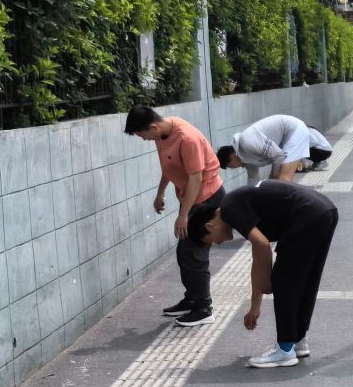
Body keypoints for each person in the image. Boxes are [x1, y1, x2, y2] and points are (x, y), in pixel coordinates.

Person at [187, 178, 339, 368]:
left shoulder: (229, 210)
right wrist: (255, 306)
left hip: (307, 214)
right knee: (305, 281)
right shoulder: (235, 205)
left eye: (212, 240)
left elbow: (262, 245)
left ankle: (285, 350)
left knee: (284, 281)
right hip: (325, 210)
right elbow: (258, 257)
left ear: (209, 227)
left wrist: (269, 283)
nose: (218, 243)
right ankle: (298, 340)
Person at [125, 104, 223, 325]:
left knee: (193, 254)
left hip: (206, 199)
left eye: (142, 135)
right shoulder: (162, 133)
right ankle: (192, 299)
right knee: (184, 253)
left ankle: (204, 309)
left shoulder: (187, 138)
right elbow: (168, 167)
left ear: (153, 127)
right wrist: (160, 193)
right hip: (190, 199)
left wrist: (184, 215)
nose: (144, 140)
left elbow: (196, 178)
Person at [222, 114, 333, 182]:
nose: (234, 168)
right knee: (277, 181)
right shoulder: (247, 162)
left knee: (283, 178)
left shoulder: (247, 141)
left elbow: (279, 156)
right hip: (284, 142)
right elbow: (253, 179)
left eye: (231, 166)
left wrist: (273, 175)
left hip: (294, 129)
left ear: (232, 156)